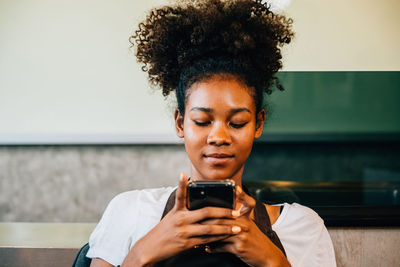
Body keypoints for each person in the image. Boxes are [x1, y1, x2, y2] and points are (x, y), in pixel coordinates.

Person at [87, 0, 336, 266]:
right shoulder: (130, 211)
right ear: (180, 124)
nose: (219, 137)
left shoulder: (302, 226)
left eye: (237, 122)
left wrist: (271, 259)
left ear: (258, 124)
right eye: (202, 121)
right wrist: (141, 253)